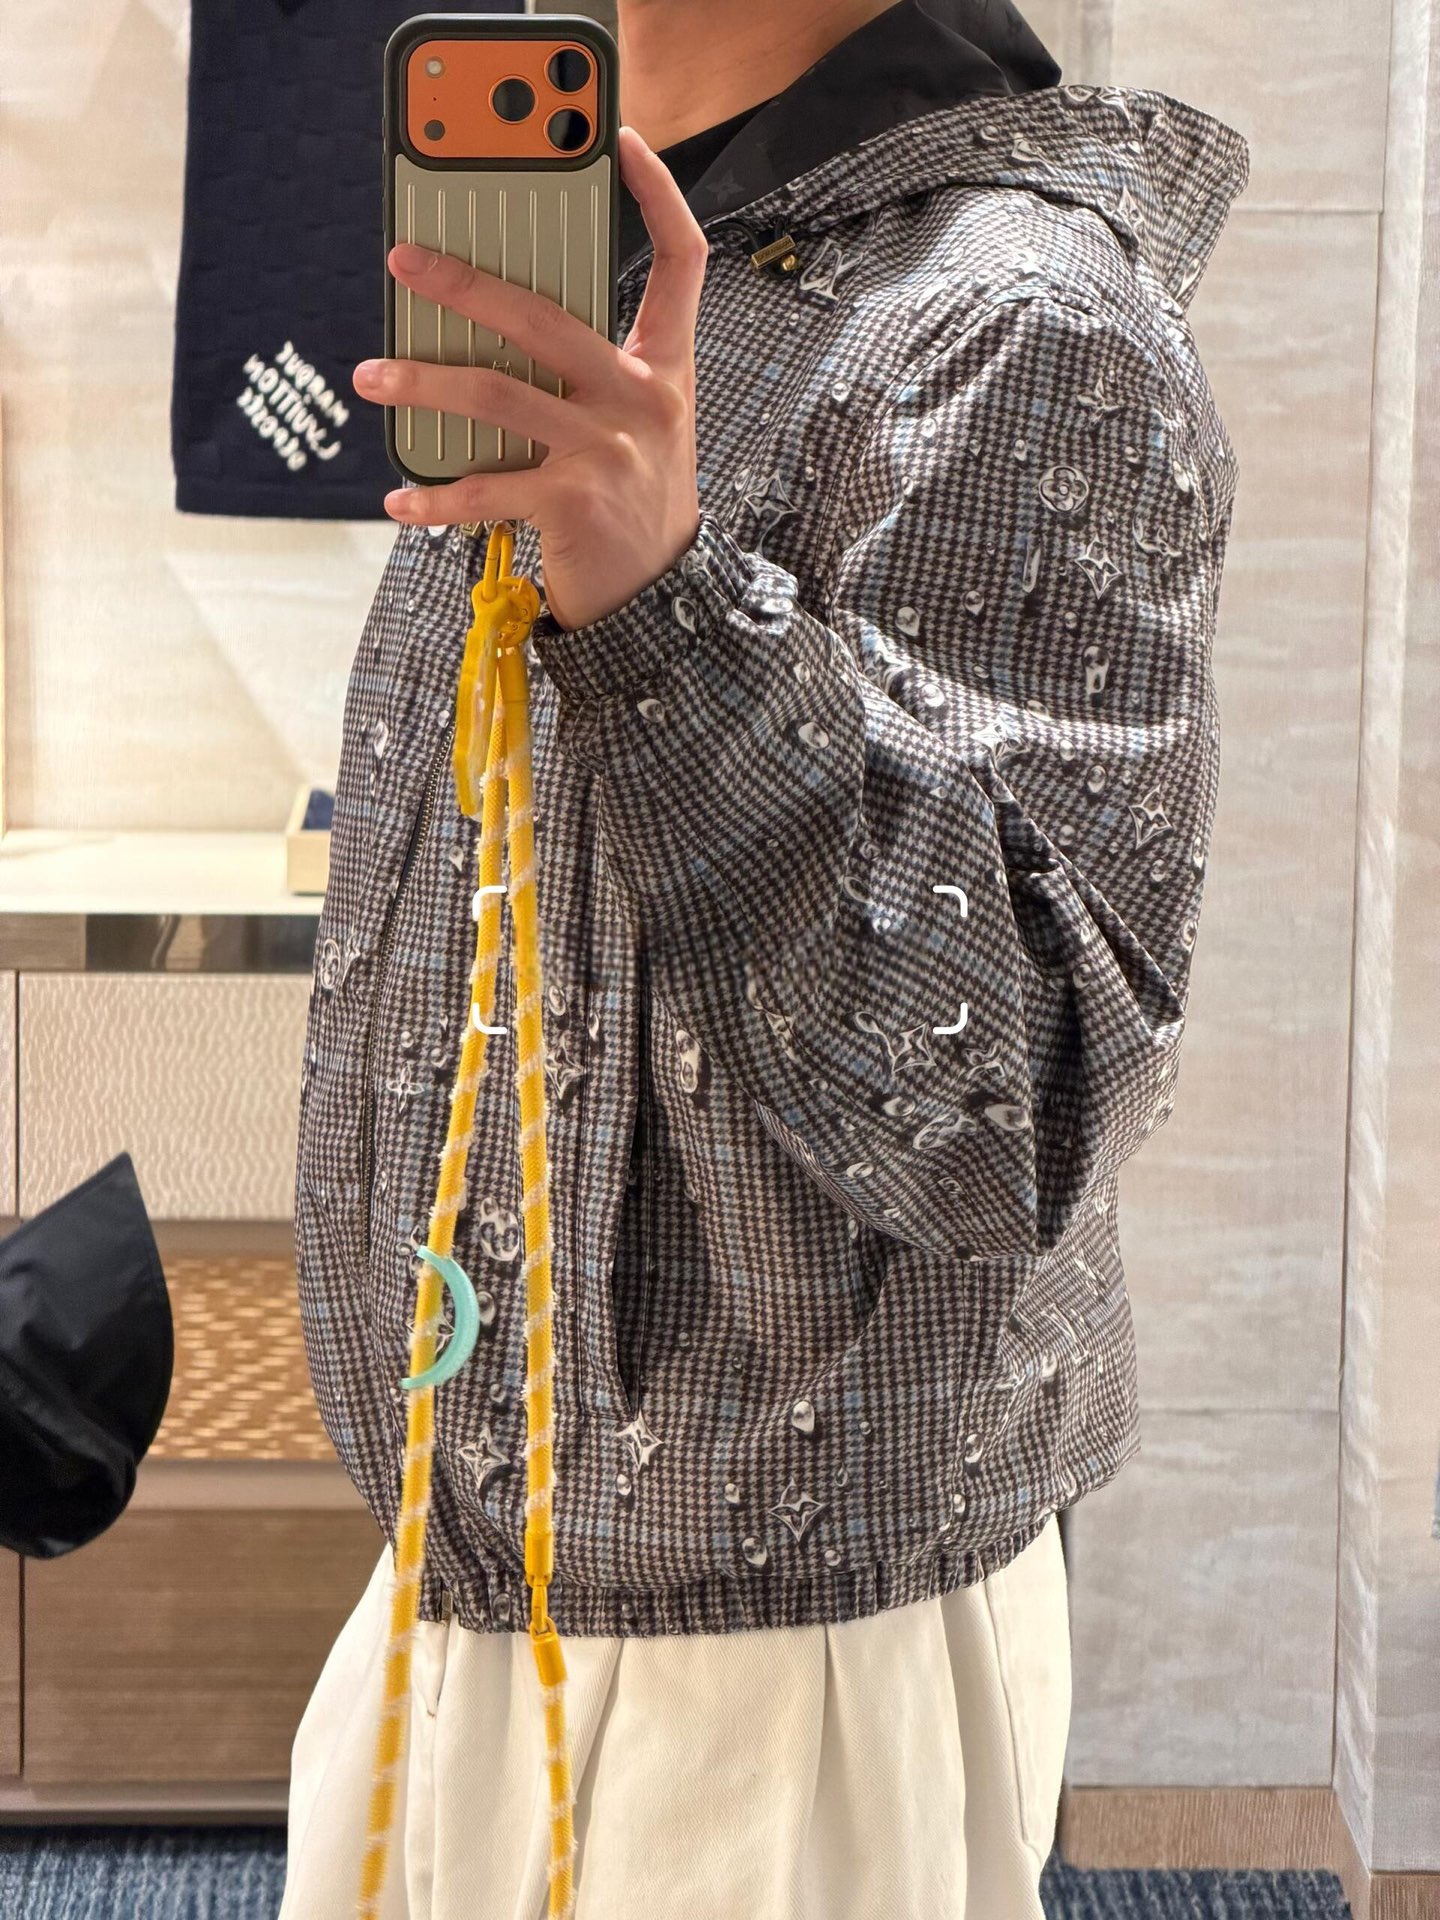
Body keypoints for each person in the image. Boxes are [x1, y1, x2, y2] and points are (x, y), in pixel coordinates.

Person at [280, 0, 1249, 1913]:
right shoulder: (632, 279)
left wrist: (668, 612)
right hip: (483, 1550)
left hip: (774, 1666)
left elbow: (1004, 1108)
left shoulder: (1014, 321)